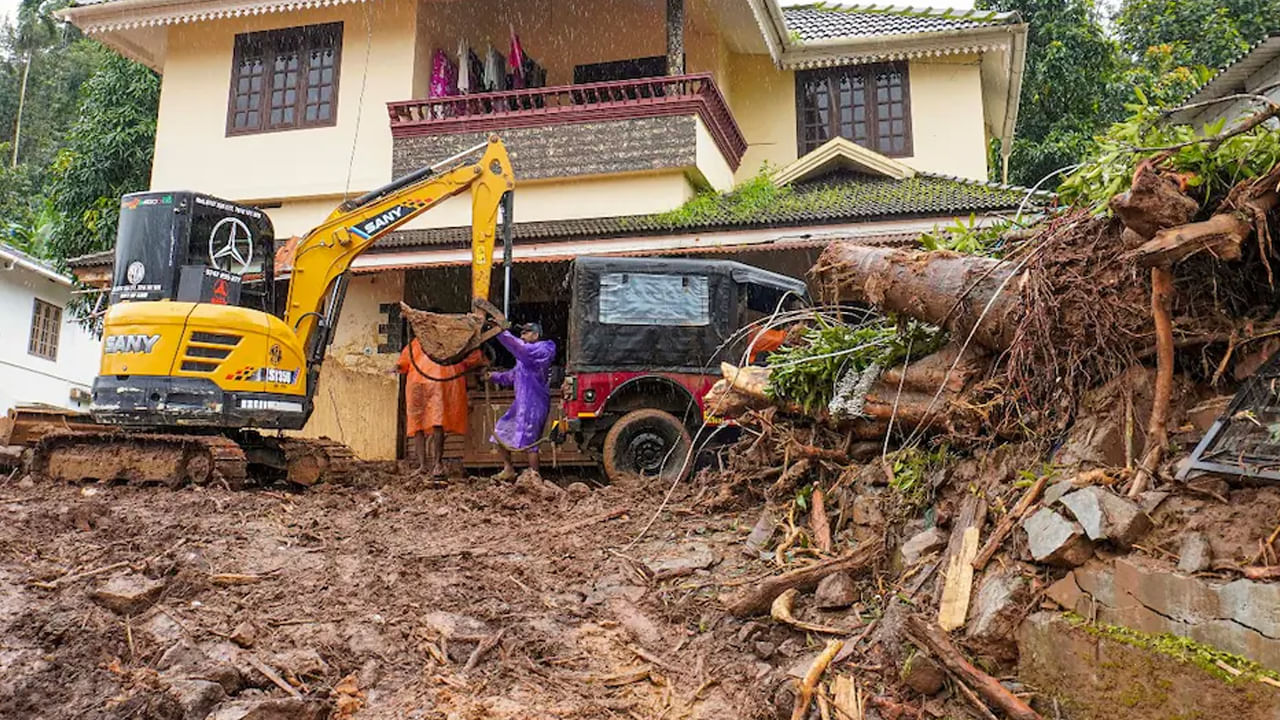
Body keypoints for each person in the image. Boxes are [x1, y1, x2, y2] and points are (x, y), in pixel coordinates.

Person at [395, 338, 485, 477]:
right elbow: (404, 361)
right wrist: (397, 367)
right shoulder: (416, 343)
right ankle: (423, 465)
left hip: (439, 384)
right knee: (418, 424)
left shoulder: (449, 340)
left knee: (437, 422)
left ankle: (437, 463)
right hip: (417, 385)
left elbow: (472, 357)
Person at [487, 322, 556, 479]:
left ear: (536, 335)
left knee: (530, 442)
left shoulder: (541, 350)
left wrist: (500, 333)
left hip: (534, 403)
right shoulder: (525, 357)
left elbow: (519, 348)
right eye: (521, 333)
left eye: (526, 333)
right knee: (500, 434)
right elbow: (514, 376)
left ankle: (535, 477)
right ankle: (509, 469)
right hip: (521, 404)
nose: (522, 336)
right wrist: (494, 377)